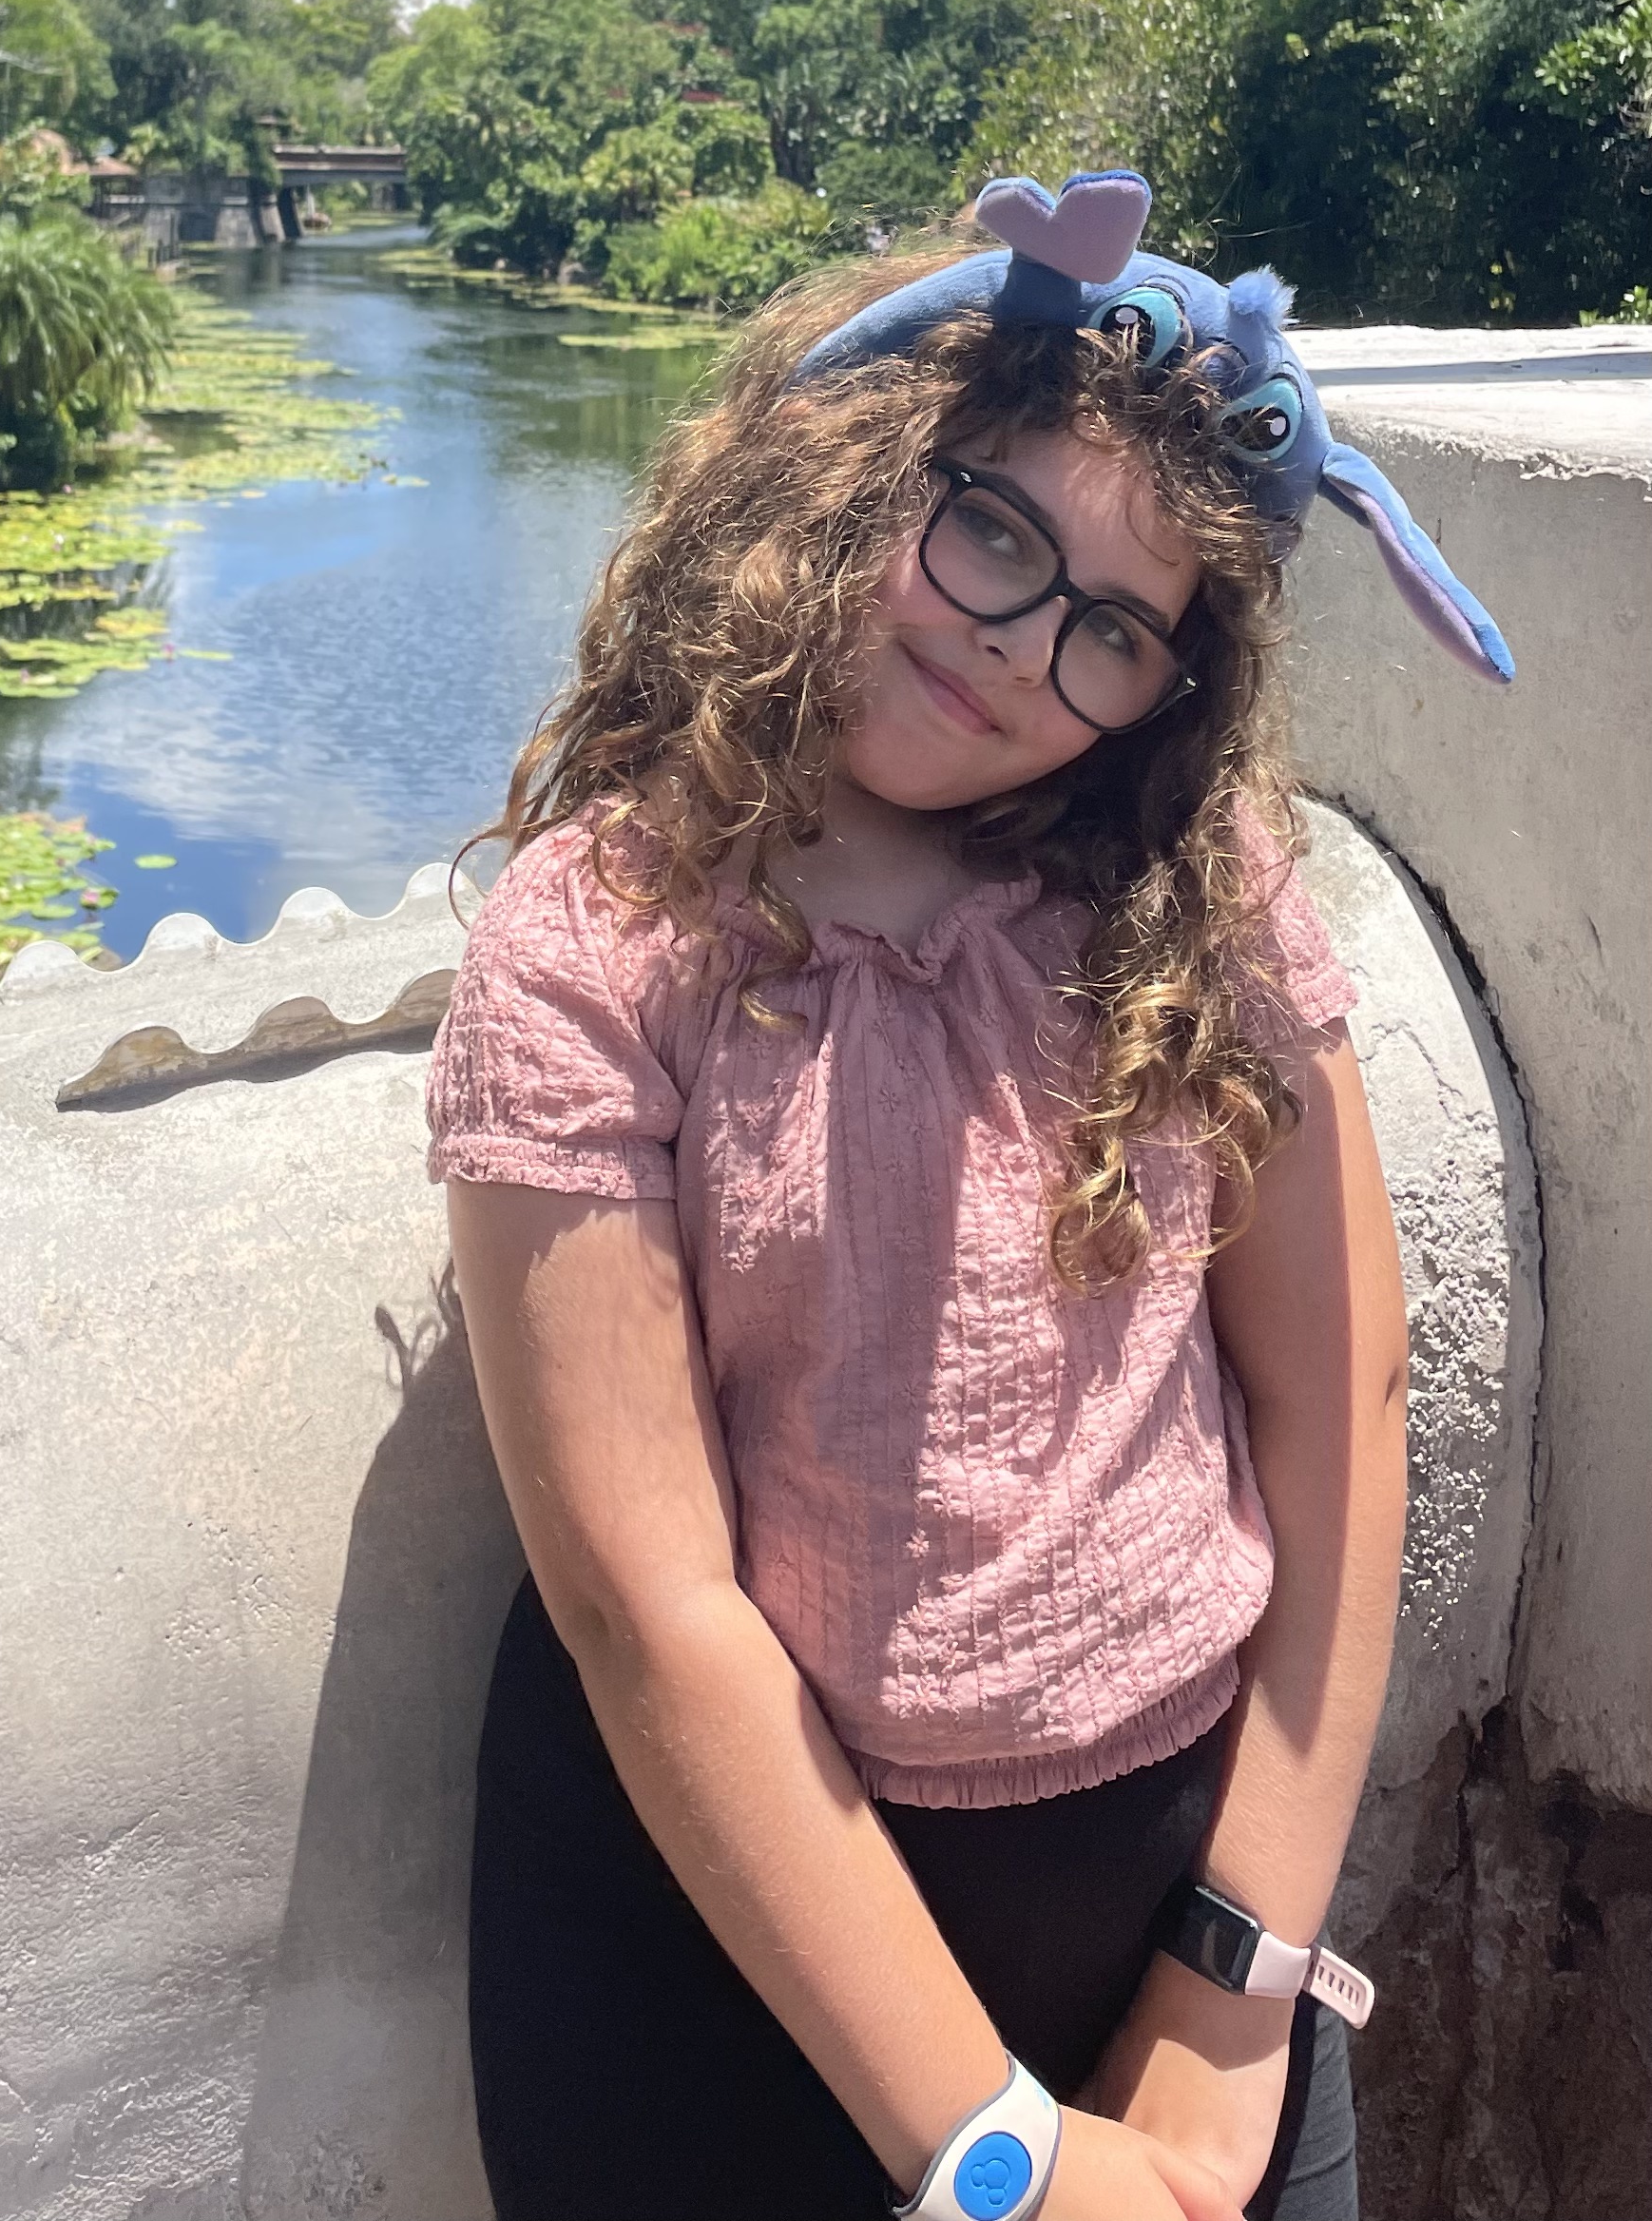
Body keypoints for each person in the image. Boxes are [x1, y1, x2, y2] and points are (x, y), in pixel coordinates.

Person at [425, 171, 1513, 2221]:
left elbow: (1345, 1396)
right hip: (727, 1975)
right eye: (995, 532)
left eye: (1114, 630)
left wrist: (1238, 1988)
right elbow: (648, 1605)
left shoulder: (1193, 890)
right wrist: (995, 2155)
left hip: (1185, 1912)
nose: (1017, 649)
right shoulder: (599, 947)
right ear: (854, 479)